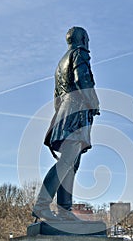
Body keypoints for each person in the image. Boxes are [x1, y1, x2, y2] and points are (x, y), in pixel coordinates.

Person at [32, 27, 100, 222]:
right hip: (76, 113)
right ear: (83, 39)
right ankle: (42, 205)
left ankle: (64, 210)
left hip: (64, 113)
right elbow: (83, 80)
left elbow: (56, 98)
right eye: (87, 39)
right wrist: (93, 103)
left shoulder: (61, 63)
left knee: (71, 165)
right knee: (67, 162)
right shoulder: (80, 54)